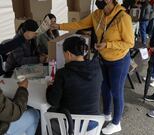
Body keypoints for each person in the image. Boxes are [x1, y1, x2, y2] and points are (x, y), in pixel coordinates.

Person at [51, 0, 134, 134]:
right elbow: (79, 24)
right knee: (105, 88)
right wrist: (59, 26)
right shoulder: (97, 14)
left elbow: (129, 43)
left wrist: (108, 45)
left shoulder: (123, 17)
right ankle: (107, 114)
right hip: (103, 58)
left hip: (119, 60)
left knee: (116, 91)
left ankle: (116, 122)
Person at [46, 36, 102, 134]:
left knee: (48, 117)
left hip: (70, 126)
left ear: (68, 54)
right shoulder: (96, 68)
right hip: (94, 124)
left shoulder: (63, 73)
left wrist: (49, 87)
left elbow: (53, 101)